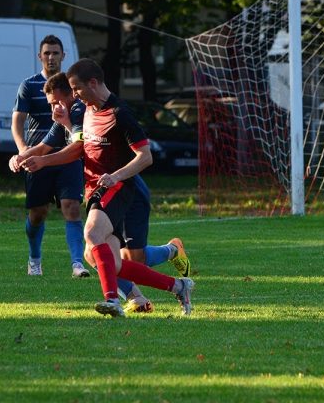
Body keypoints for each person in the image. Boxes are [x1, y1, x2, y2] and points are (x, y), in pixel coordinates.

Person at [13, 72, 192, 314]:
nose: (57, 106)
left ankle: (162, 260)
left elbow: (78, 149)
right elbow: (54, 145)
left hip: (122, 187)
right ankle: (173, 287)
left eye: (59, 100)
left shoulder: (90, 110)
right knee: (103, 258)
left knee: (114, 247)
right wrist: (21, 156)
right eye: (51, 104)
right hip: (101, 187)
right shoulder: (77, 112)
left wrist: (43, 162)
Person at [62, 58, 194, 317]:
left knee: (91, 234)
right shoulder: (87, 110)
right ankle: (179, 286)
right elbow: (83, 146)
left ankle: (112, 300)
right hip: (96, 189)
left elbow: (145, 156)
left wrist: (115, 176)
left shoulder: (120, 113)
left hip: (118, 188)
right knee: (112, 263)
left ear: (93, 83)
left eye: (76, 88)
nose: (74, 94)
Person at [10, 35, 89, 278]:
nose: (51, 57)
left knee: (72, 207)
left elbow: (78, 139)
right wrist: (23, 152)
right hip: (39, 157)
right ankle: (34, 259)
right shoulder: (29, 86)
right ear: (40, 56)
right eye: (47, 53)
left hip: (70, 156)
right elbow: (18, 122)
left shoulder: (73, 91)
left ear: (64, 56)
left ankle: (77, 263)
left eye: (56, 53)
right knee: (38, 213)